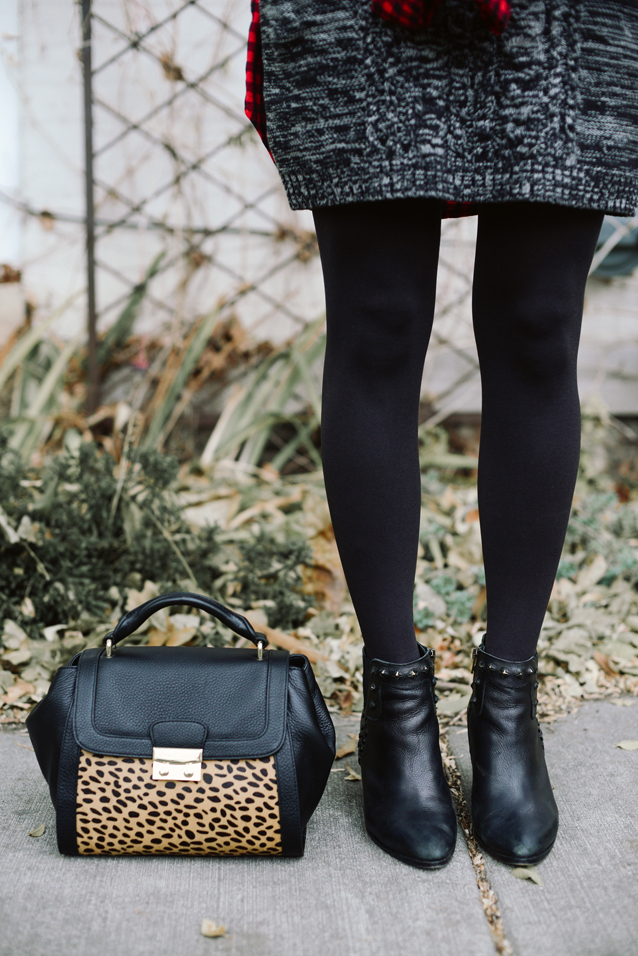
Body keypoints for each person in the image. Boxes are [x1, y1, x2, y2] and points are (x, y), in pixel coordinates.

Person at [246, 0, 638, 868]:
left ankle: (508, 703)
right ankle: (395, 705)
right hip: (369, 17)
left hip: (562, 20)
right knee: (378, 324)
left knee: (539, 326)